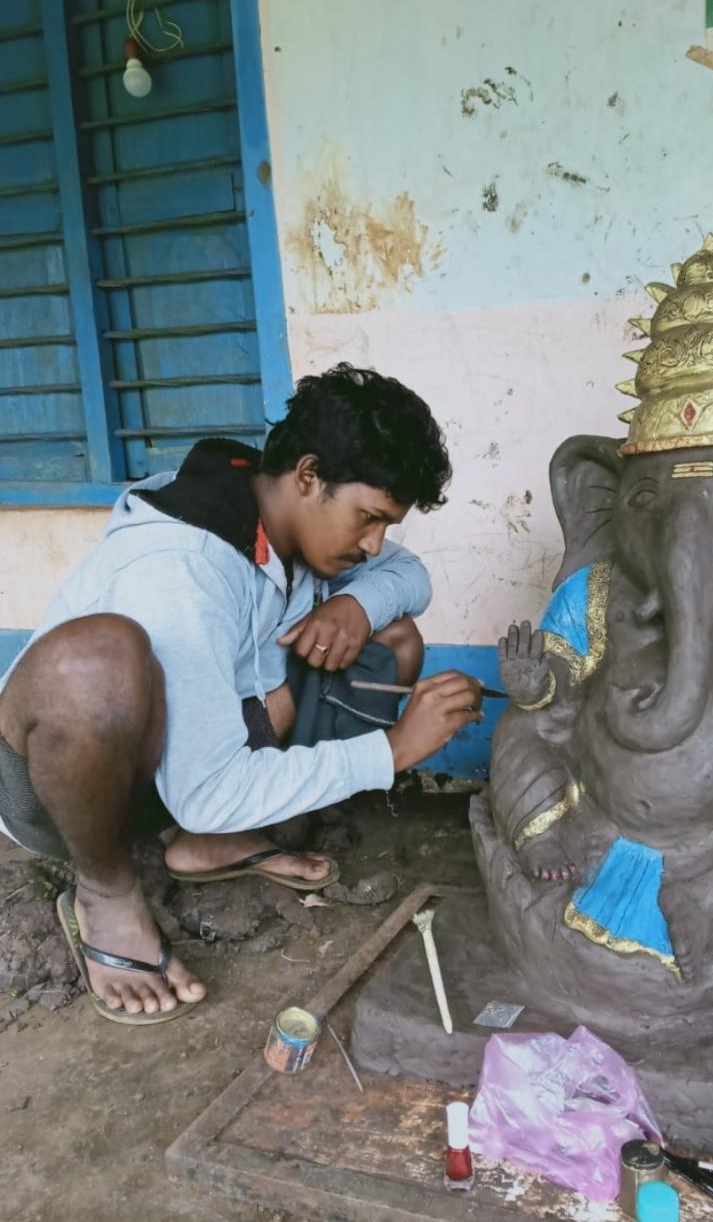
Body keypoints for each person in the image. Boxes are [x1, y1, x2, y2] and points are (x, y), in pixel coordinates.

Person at [0, 363, 482, 1025]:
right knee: (97, 661)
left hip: (183, 768)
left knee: (389, 633)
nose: (374, 544)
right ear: (308, 476)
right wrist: (393, 750)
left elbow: (409, 575)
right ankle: (106, 892)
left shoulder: (271, 514)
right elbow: (204, 784)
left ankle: (209, 840)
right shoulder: (184, 564)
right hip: (62, 788)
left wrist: (357, 607)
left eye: (385, 526)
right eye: (367, 519)